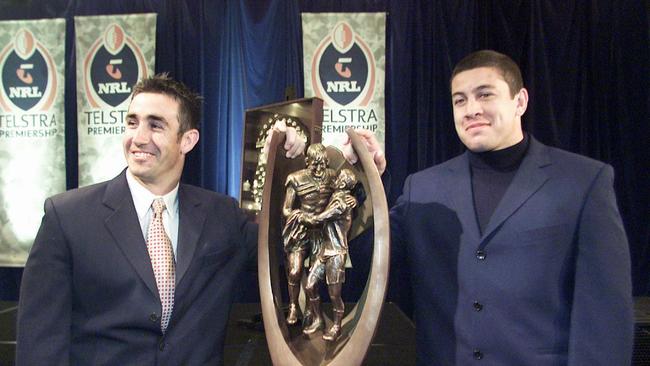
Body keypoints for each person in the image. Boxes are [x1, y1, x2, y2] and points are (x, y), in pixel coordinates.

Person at [347, 50, 633, 365]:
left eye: (485, 95)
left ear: (520, 101)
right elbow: (367, 265)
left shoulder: (583, 182)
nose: (471, 109)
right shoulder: (423, 188)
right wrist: (366, 181)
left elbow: (605, 318)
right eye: (460, 100)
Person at [15, 74, 305, 365]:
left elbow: (293, 243)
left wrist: (292, 162)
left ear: (187, 140)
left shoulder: (222, 216)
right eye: (132, 122)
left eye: (155, 125)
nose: (138, 138)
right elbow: (39, 344)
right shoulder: (67, 218)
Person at [281, 143, 336, 328]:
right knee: (295, 271)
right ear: (307, 162)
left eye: (323, 165)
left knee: (315, 276)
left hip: (321, 232)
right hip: (301, 230)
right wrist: (303, 217)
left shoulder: (333, 177)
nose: (319, 169)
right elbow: (287, 209)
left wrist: (352, 199)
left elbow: (345, 193)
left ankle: (314, 312)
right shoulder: (295, 179)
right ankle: (293, 305)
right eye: (315, 165)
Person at [302, 168, 358, 341]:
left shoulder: (342, 202)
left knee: (334, 295)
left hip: (336, 254)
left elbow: (324, 216)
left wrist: (309, 218)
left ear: (343, 183)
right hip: (324, 251)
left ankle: (336, 326)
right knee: (310, 285)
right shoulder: (336, 196)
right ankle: (318, 319)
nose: (337, 178)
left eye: (340, 176)